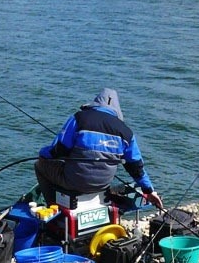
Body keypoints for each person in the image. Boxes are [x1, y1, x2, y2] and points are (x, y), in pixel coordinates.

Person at [34, 88, 164, 210]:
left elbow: (59, 150)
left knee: (40, 165)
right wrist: (149, 191)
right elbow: (136, 168)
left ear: (95, 104)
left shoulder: (79, 118)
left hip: (74, 181)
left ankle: (53, 207)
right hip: (103, 184)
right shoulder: (126, 132)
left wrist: (43, 154)